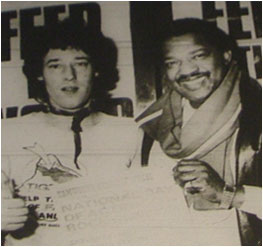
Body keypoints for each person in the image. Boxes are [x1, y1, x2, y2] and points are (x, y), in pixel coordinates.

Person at [2, 18, 138, 245]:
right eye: (55, 65)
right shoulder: (6, 134)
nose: (69, 75)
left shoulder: (132, 134)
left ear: (96, 70)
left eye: (81, 63)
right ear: (39, 73)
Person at [136, 18, 261, 245]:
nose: (188, 71)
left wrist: (227, 194)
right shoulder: (150, 127)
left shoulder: (257, 110)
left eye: (198, 56)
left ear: (225, 55)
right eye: (173, 63)